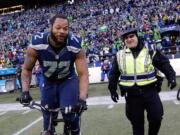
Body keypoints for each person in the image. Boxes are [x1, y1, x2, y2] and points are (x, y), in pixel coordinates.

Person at [19, 14, 89, 135]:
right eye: (58, 28)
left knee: (69, 113)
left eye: (65, 28)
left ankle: (75, 130)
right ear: (50, 27)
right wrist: (25, 91)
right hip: (48, 80)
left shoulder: (74, 44)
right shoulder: (38, 43)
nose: (62, 31)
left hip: (67, 79)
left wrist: (82, 99)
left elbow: (83, 74)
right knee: (48, 117)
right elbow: (26, 69)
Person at [108, 28, 176, 135]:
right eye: (126, 38)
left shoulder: (150, 50)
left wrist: (171, 76)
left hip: (150, 92)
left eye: (131, 36)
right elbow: (113, 74)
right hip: (132, 95)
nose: (129, 39)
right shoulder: (120, 55)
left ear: (137, 37)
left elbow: (164, 64)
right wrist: (112, 89)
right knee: (137, 124)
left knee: (157, 118)